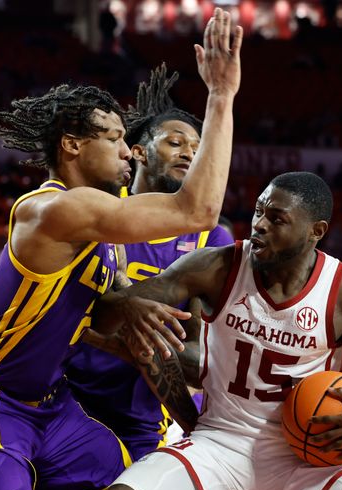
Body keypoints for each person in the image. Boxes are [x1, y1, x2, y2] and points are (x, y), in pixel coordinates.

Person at [0, 8, 242, 490]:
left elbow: (88, 312)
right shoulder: (59, 208)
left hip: (56, 408)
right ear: (74, 144)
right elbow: (199, 209)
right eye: (116, 139)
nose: (128, 152)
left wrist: (126, 303)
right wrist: (222, 95)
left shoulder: (95, 234)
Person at [91, 172, 342, 490]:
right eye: (258, 211)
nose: (259, 224)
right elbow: (105, 318)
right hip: (218, 444)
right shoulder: (216, 267)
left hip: (307, 460)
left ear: (316, 231)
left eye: (276, 219)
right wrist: (125, 302)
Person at [68, 64, 234, 460]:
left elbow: (197, 353)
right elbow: (71, 314)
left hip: (142, 412)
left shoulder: (213, 239)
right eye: (175, 143)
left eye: (196, 148)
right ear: (139, 151)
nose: (188, 154)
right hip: (68, 395)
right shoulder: (97, 211)